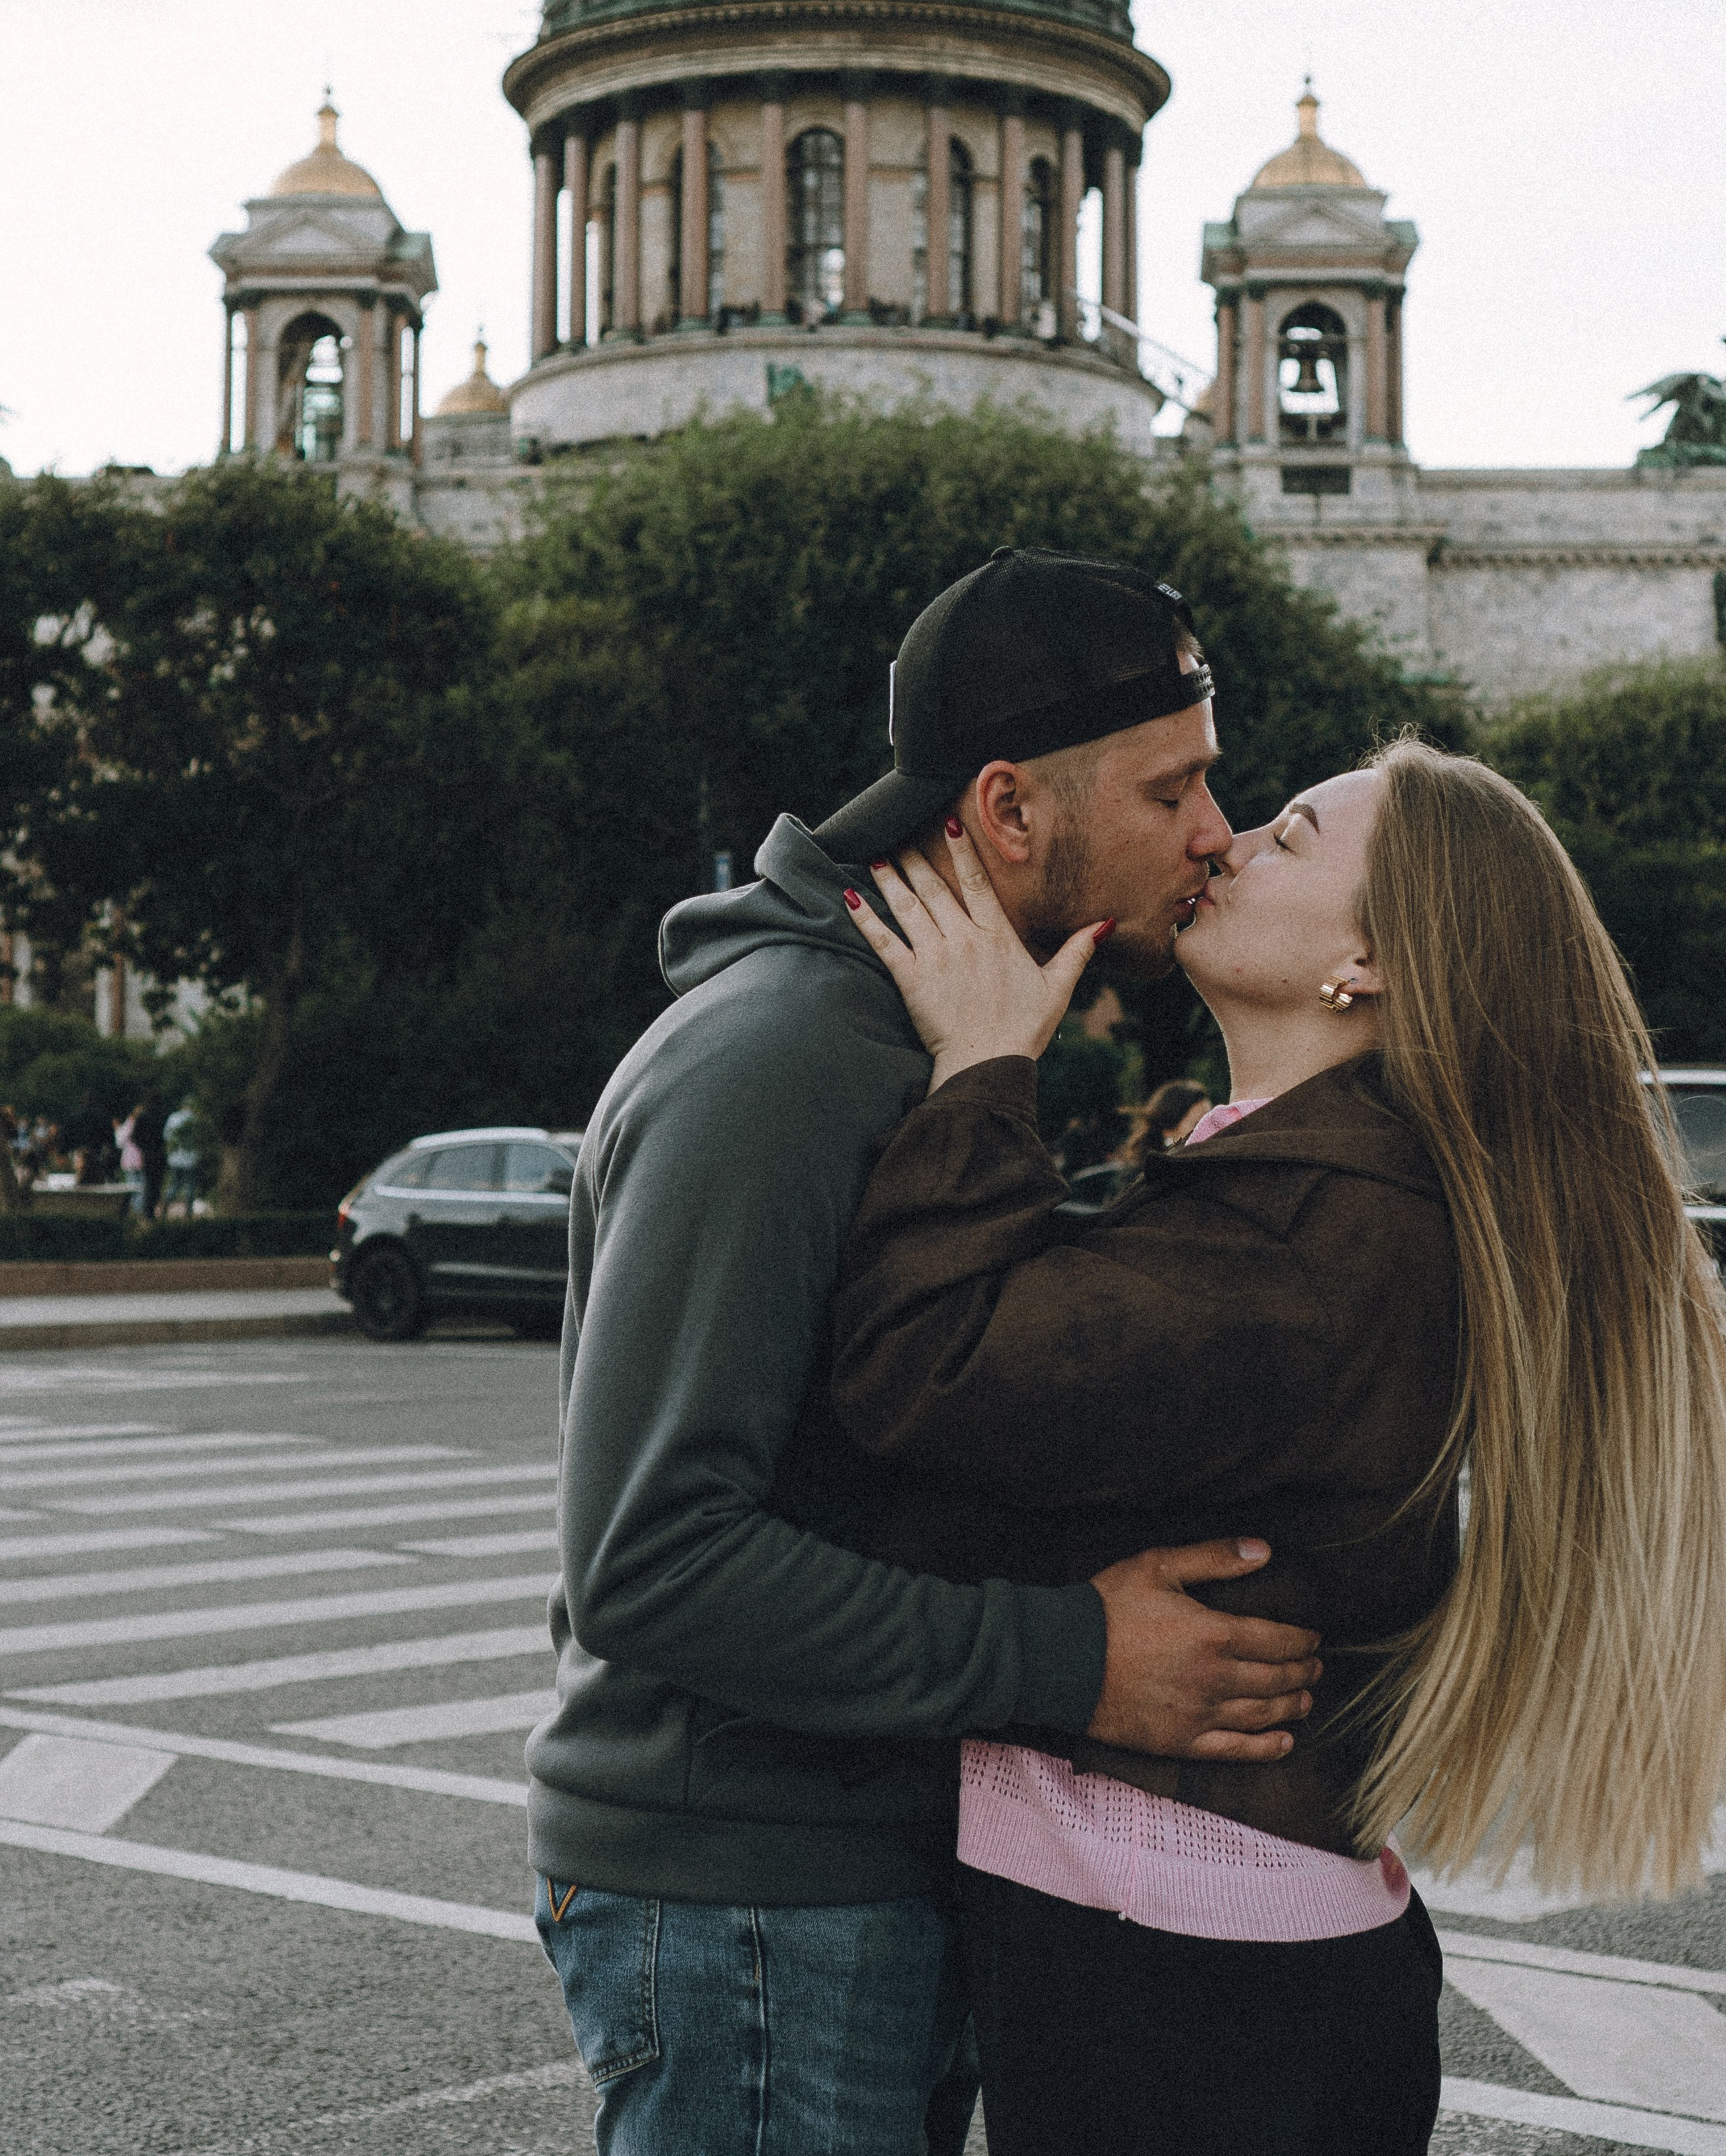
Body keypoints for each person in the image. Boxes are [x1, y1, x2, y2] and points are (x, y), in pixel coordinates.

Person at [531, 550, 1325, 2156]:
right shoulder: (785, 1056)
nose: (1213, 836)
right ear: (1008, 810)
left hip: (846, 1862)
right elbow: (653, 1558)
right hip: (756, 1892)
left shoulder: (919, 1036)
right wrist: (1075, 1657)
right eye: (1170, 788)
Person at [834, 738, 1726, 2156]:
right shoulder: (1308, 1193)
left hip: (1177, 1986)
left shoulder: (1308, 1240)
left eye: (1291, 840)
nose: (1225, 841)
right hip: (1210, 1954)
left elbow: (921, 1373)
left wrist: (983, 1067)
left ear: (1366, 964)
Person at [1123, 1075, 1211, 1163]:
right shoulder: (1152, 1173)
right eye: (1198, 1124)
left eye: (1213, 1121)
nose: (1211, 1130)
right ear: (1169, 1132)